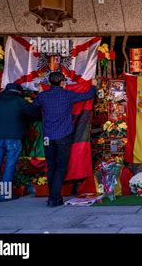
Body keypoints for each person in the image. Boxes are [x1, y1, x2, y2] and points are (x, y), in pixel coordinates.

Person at [33, 72, 97, 207]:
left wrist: (40, 92)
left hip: (47, 137)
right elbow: (87, 95)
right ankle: (53, 198)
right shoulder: (67, 95)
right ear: (63, 82)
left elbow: (34, 108)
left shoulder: (43, 96)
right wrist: (93, 86)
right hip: (63, 136)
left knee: (51, 167)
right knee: (61, 167)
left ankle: (53, 197)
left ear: (50, 83)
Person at [0, 83, 38, 202]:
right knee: (9, 165)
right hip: (13, 138)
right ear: (19, 92)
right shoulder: (19, 101)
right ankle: (4, 194)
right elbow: (33, 113)